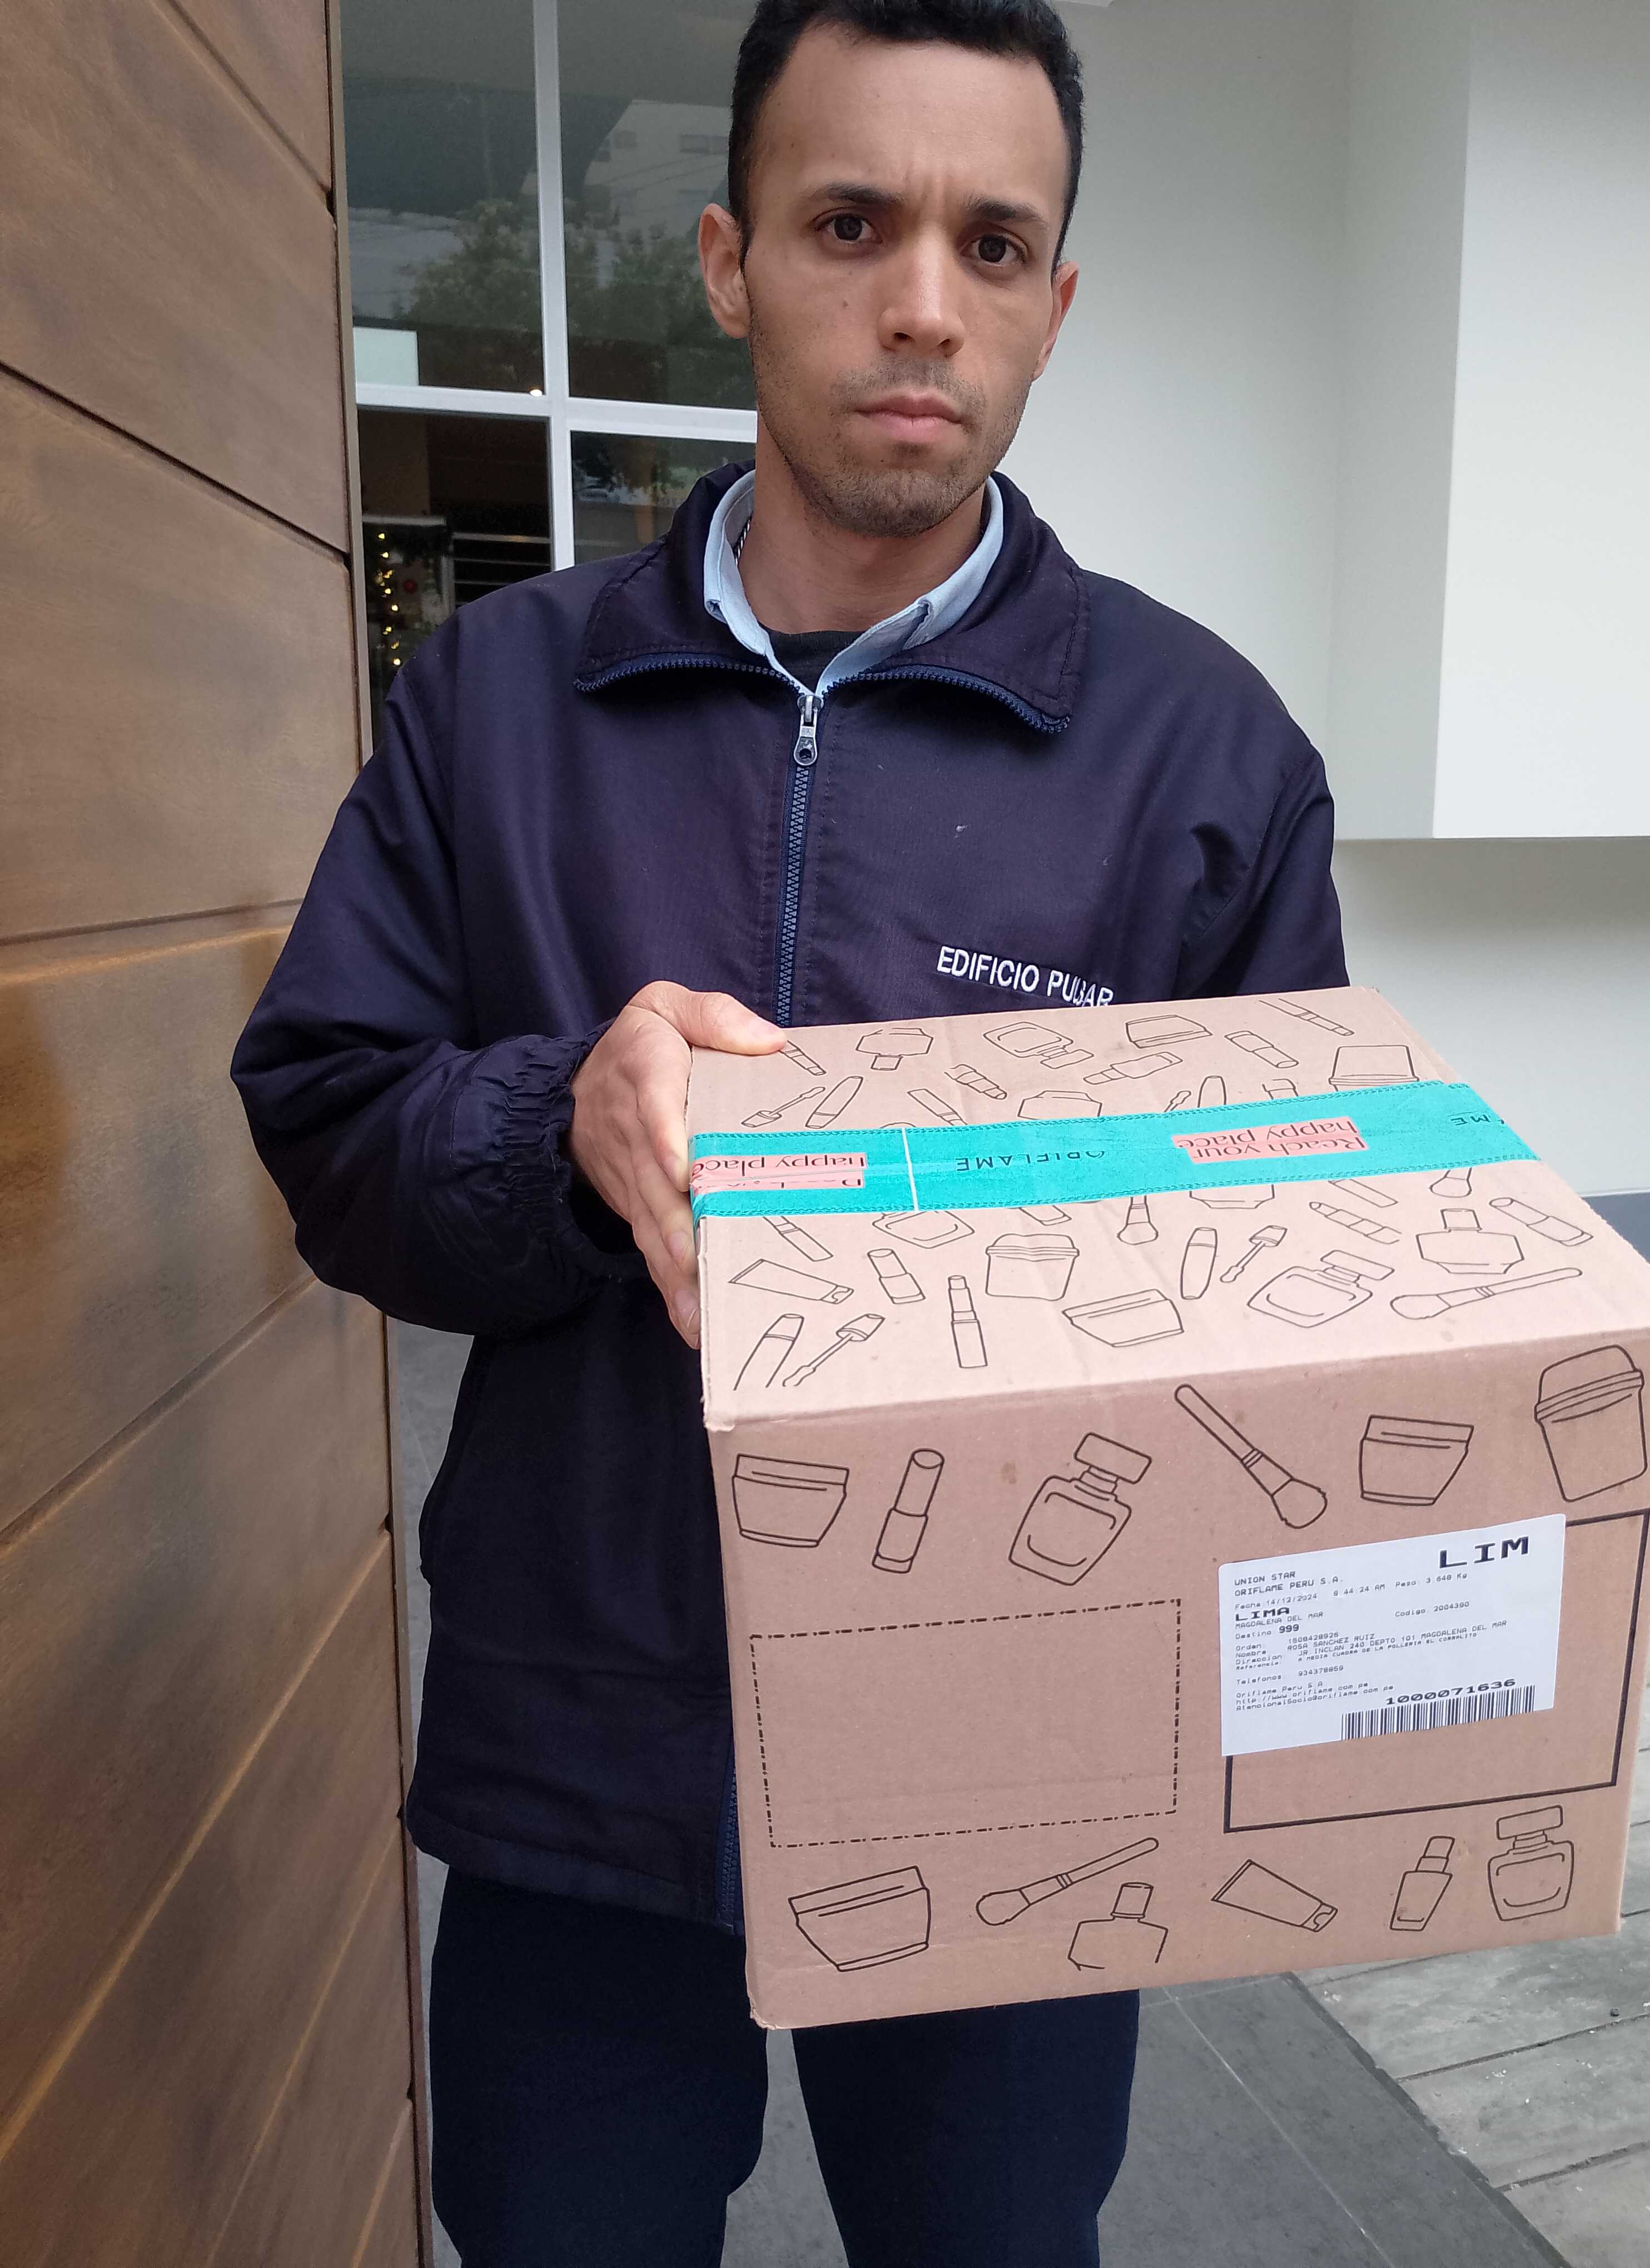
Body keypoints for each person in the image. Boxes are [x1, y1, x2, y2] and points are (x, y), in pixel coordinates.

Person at [232, 2, 1347, 2260]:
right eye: (852, 224)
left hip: (1017, 1769)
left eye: (992, 242)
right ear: (732, 264)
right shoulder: (499, 704)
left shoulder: (1208, 757)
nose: (923, 303)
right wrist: (565, 1124)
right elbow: (330, 1118)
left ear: (1054, 298)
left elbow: (1297, 1270)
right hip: (585, 1756)